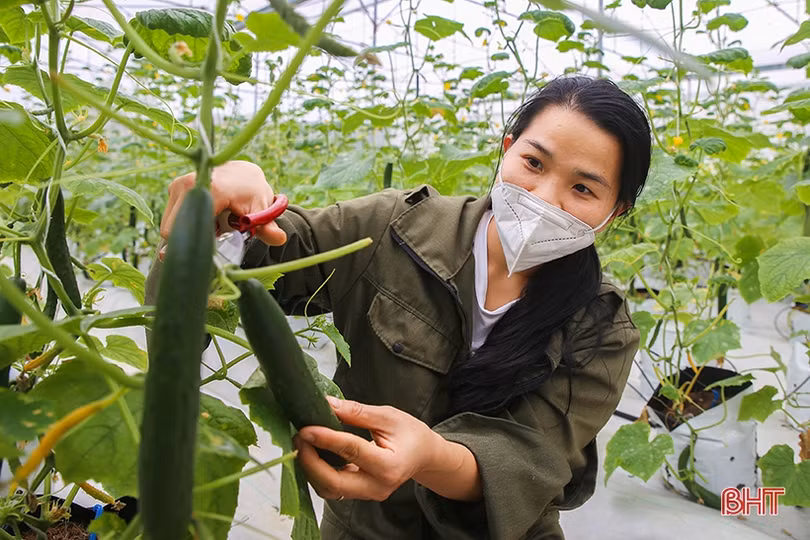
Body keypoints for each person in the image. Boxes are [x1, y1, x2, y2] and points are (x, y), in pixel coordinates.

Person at [151, 75, 652, 539]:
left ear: (617, 212)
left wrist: (429, 456)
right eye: (534, 163)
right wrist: (225, 213)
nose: (545, 196)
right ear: (507, 150)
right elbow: (277, 250)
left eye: (583, 188)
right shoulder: (395, 228)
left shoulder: (603, 326)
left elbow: (532, 455)